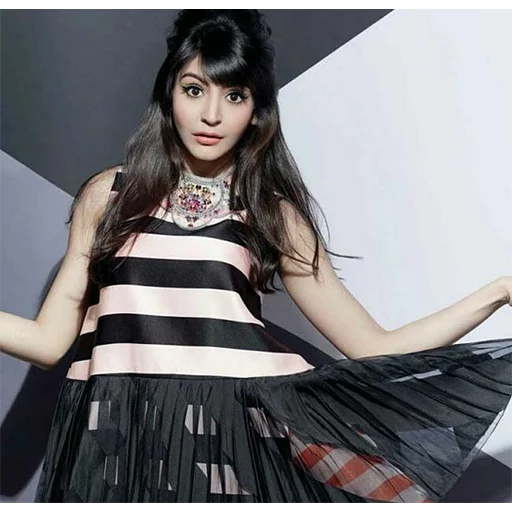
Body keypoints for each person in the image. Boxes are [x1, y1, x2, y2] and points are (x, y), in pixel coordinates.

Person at [1, 8, 512, 503]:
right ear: (170, 92)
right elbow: (49, 342)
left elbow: (373, 348)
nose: (212, 115)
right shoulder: (109, 195)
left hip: (228, 449)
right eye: (194, 89)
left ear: (256, 110)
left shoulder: (271, 212)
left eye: (235, 95)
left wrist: (499, 291)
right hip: (123, 450)